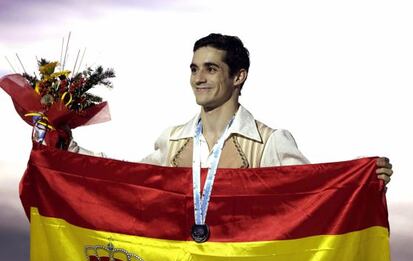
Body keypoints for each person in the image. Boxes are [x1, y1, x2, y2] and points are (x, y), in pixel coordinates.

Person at [69, 33, 393, 183]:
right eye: (194, 68)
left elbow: (314, 193)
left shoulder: (270, 143)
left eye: (211, 69)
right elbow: (124, 179)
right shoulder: (172, 141)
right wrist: (62, 145)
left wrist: (361, 179)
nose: (198, 78)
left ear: (239, 76)